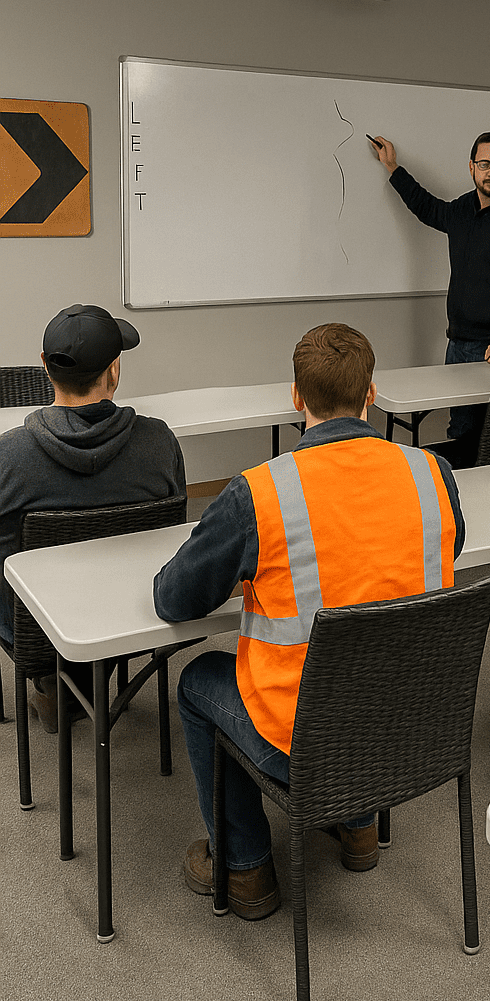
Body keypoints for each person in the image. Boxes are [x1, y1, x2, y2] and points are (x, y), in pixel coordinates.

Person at [153, 323, 465, 920]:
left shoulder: (259, 493)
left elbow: (176, 599)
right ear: (371, 392)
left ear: (295, 397)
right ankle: (358, 827)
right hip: (411, 724)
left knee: (197, 683)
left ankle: (243, 868)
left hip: (306, 740)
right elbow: (443, 554)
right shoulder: (433, 473)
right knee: (366, 653)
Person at [0, 304, 186, 730]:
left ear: (45, 367)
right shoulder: (159, 443)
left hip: (35, 631)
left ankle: (55, 682)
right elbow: (175, 534)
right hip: (136, 618)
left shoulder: (9, 456)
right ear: (114, 370)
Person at [369, 130, 490, 455]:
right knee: (463, 437)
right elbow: (427, 208)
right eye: (485, 164)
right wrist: (393, 167)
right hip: (459, 348)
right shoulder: (461, 212)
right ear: (471, 167)